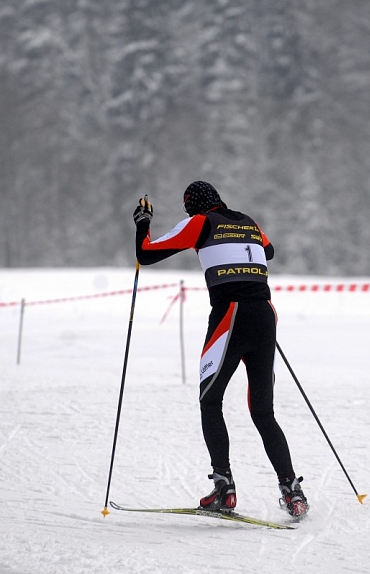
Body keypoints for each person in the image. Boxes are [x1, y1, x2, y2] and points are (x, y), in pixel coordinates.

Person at [132, 181, 309, 518]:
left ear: (194, 207)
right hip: (265, 315)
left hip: (231, 315)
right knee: (263, 412)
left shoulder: (200, 222)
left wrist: (143, 224)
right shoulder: (248, 221)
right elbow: (268, 252)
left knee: (210, 401)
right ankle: (292, 492)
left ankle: (224, 487)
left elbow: (146, 254)